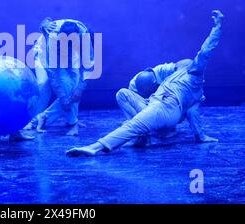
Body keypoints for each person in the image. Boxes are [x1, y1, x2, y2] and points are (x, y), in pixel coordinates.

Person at [66, 10, 224, 157]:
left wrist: (217, 27)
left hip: (166, 107)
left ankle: (94, 148)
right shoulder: (179, 78)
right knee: (123, 94)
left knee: (132, 125)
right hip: (155, 103)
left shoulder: (195, 75)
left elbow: (205, 51)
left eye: (181, 65)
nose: (178, 66)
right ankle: (142, 137)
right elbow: (193, 114)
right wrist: (201, 137)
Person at [25, 18, 94, 136]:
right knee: (44, 84)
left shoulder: (84, 34)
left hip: (70, 57)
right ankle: (33, 120)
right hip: (44, 55)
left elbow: (89, 64)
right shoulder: (52, 38)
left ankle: (57, 118)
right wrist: (62, 98)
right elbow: (53, 74)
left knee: (74, 86)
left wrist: (80, 88)